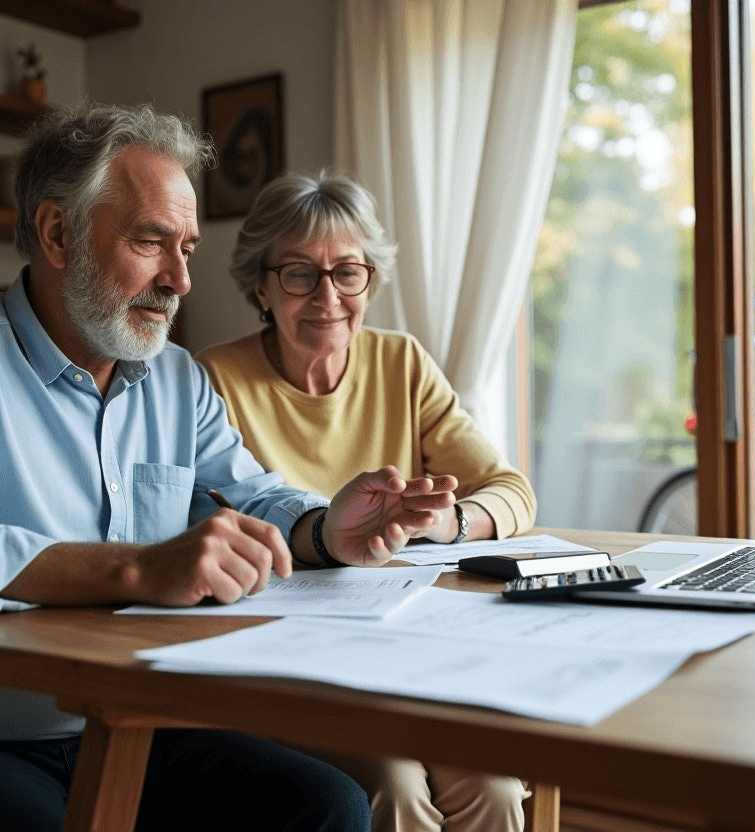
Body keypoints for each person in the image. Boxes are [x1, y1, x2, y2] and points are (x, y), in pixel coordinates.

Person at [0, 103, 459, 832]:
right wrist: (135, 569)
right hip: (11, 733)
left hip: (148, 717)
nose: (181, 280)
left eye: (186, 248)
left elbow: (252, 493)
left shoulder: (178, 379)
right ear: (59, 234)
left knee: (329, 806)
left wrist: (324, 528)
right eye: (151, 241)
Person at [196, 171, 537, 832]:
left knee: (493, 787)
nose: (328, 297)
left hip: (412, 646)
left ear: (369, 282)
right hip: (288, 657)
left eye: (347, 273)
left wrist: (450, 522)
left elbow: (511, 490)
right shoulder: (214, 379)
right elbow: (208, 529)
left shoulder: (401, 363)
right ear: (262, 287)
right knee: (394, 785)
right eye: (300, 274)